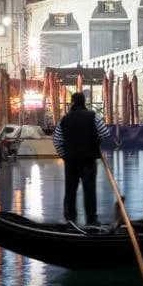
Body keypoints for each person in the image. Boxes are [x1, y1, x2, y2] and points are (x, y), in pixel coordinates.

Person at [55, 91, 102, 228]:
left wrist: (64, 156)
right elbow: (105, 132)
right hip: (89, 160)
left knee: (70, 190)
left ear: (72, 103)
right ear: (84, 102)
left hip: (71, 162)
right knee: (89, 190)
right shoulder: (93, 116)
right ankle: (91, 220)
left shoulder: (64, 119)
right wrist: (96, 143)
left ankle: (70, 219)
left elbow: (57, 140)